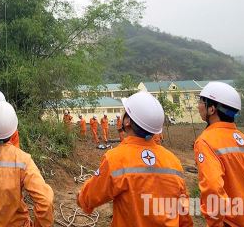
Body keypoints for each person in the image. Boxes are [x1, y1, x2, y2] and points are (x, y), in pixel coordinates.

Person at [77, 92, 193, 227]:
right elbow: (183, 214)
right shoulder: (173, 161)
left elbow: (89, 197)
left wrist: (81, 197)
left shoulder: (115, 159)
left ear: (127, 122)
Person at [195, 81, 244, 226]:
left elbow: (212, 187)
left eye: (201, 101)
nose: (198, 105)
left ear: (212, 109)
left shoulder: (206, 142)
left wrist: (215, 223)